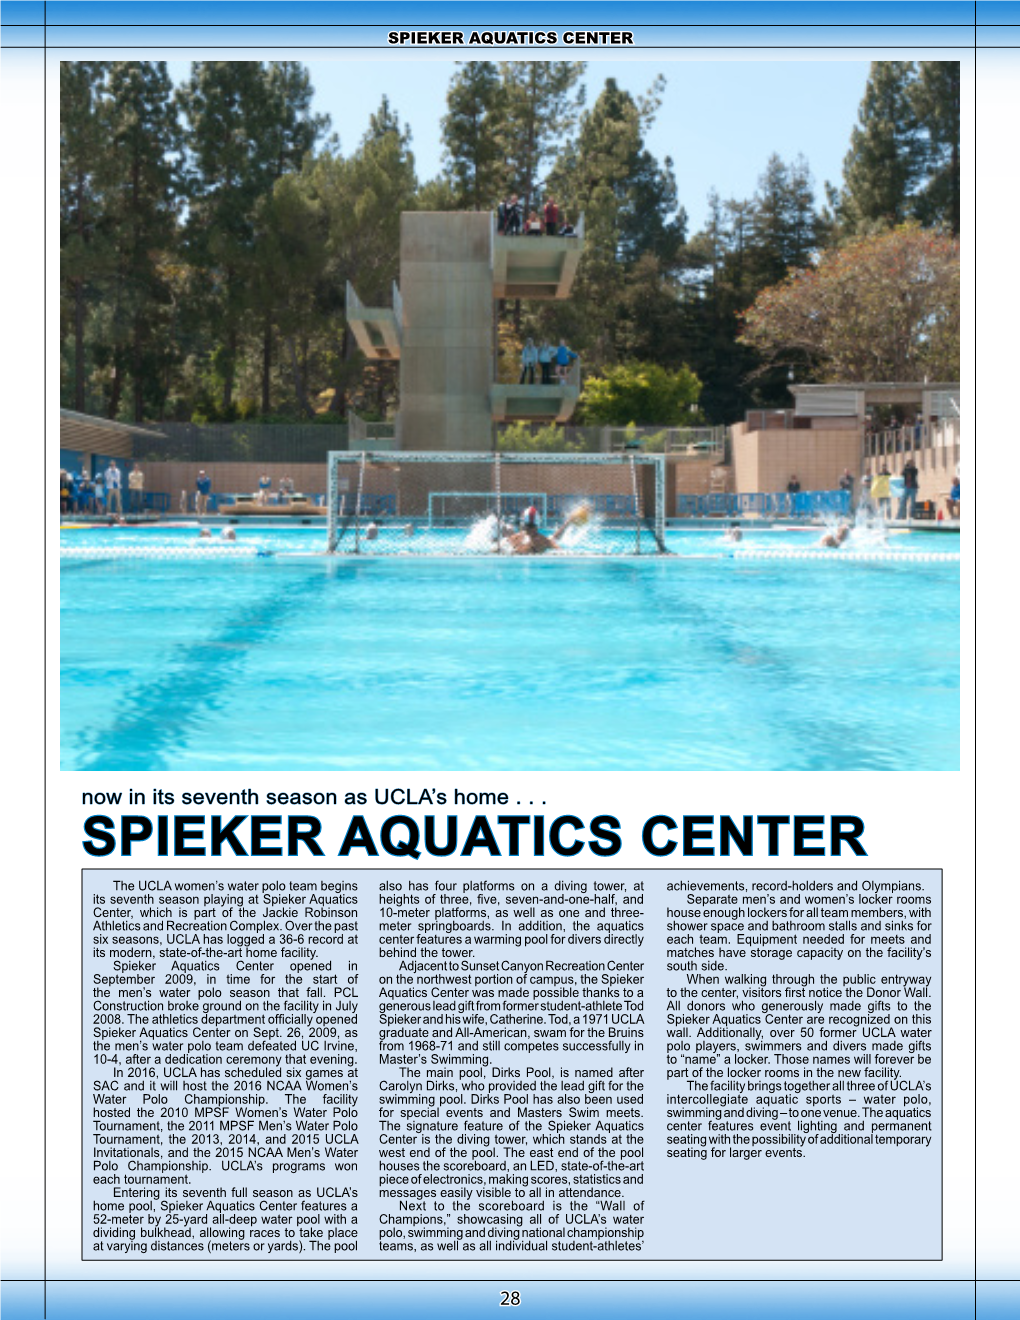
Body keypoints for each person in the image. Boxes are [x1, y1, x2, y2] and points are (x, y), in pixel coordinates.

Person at [504, 504, 589, 555]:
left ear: (523, 522)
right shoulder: (544, 541)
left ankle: (568, 522)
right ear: (538, 522)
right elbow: (563, 553)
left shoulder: (511, 539)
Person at [898, 455, 919, 520]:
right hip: (906, 487)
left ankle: (911, 516)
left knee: (912, 503)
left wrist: (909, 466)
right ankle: (903, 516)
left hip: (913, 488)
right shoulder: (906, 469)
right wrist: (905, 466)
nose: (910, 464)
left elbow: (913, 472)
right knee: (903, 502)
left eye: (912, 463)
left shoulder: (915, 469)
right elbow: (901, 473)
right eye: (910, 463)